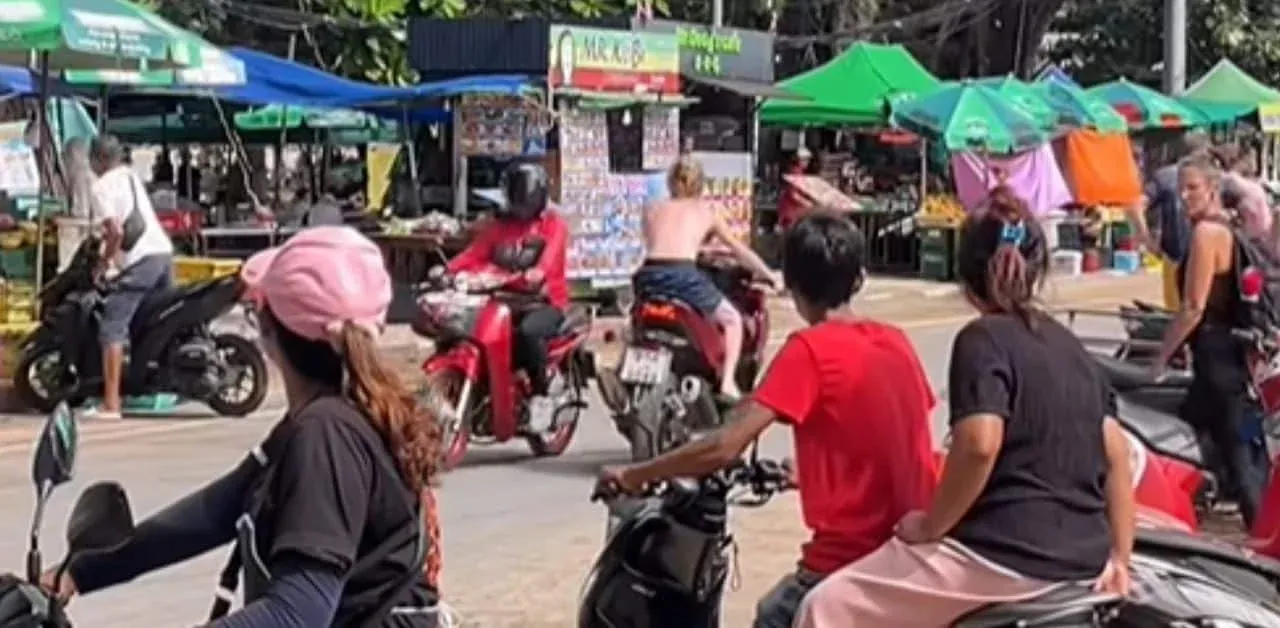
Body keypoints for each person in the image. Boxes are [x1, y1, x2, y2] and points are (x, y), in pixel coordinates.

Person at [43, 226, 448, 627]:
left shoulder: (327, 435)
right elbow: (214, 513)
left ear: (268, 332)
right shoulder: (334, 416)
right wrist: (80, 572)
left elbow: (298, 613)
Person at [793, 187, 1135, 627]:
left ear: (966, 276)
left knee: (824, 606)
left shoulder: (982, 340)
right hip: (1082, 559)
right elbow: (1117, 456)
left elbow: (978, 445)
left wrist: (931, 526)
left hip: (1002, 556)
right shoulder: (1070, 347)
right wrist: (1120, 560)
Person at [599, 213, 937, 628]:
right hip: (907, 548)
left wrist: (636, 473)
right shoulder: (896, 342)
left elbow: (724, 445)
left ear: (792, 286)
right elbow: (882, 434)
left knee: (774, 614)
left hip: (850, 557)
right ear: (859, 279)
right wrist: (803, 474)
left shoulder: (808, 351)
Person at [1152, 154, 1269, 528]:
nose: (1184, 196)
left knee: (1244, 456)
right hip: (1233, 366)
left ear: (1213, 189)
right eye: (1181, 189)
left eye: (1193, 188)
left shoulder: (1206, 234)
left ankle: (1264, 543)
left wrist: (1160, 358)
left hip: (1221, 369)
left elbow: (1191, 308)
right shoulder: (1229, 229)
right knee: (1241, 443)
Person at [633, 156, 779, 400]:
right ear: (700, 184)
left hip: (647, 274)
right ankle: (728, 382)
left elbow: (660, 244)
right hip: (682, 275)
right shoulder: (706, 210)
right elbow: (738, 249)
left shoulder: (652, 209)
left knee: (637, 318)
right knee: (732, 319)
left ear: (670, 182)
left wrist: (702, 250)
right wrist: (770, 275)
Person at [445, 161, 569, 432]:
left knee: (526, 333)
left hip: (544, 302)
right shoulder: (499, 226)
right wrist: (447, 270)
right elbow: (474, 254)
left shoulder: (553, 225)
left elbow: (548, 262)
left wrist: (536, 273)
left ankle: (541, 392)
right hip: (501, 301)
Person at [87, 135, 175, 420]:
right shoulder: (130, 177)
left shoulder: (100, 186)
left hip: (141, 262)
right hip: (163, 255)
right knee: (150, 323)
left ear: (97, 160)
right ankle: (148, 386)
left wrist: (103, 262)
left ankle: (111, 404)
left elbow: (115, 232)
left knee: (111, 325)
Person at [1130, 133, 1212, 310]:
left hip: (1176, 256)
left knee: (1179, 312)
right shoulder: (1207, 177)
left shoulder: (1165, 176)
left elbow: (1135, 205)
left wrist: (1147, 239)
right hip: (1200, 257)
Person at [777, 147, 813, 231]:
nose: (807, 162)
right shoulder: (795, 173)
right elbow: (793, 194)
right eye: (805, 160)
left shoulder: (798, 172)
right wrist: (807, 204)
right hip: (791, 211)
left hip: (793, 210)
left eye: (807, 160)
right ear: (798, 160)